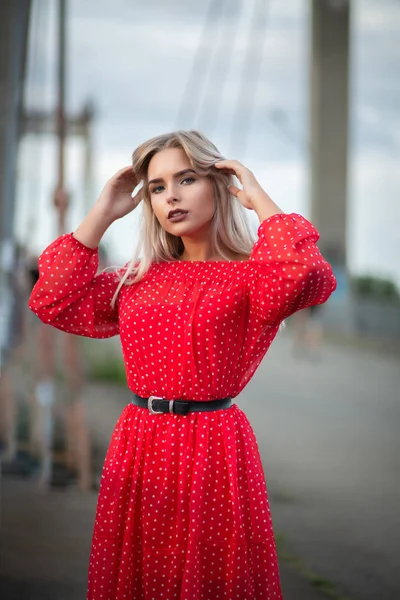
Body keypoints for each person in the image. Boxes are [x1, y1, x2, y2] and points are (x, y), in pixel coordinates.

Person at [28, 130, 337, 600]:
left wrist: (259, 199)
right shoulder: (136, 278)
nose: (170, 195)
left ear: (219, 183)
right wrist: (103, 212)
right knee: (137, 578)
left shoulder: (252, 275)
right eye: (157, 186)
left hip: (212, 446)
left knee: (210, 580)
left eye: (186, 179)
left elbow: (304, 275)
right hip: (139, 444)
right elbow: (52, 298)